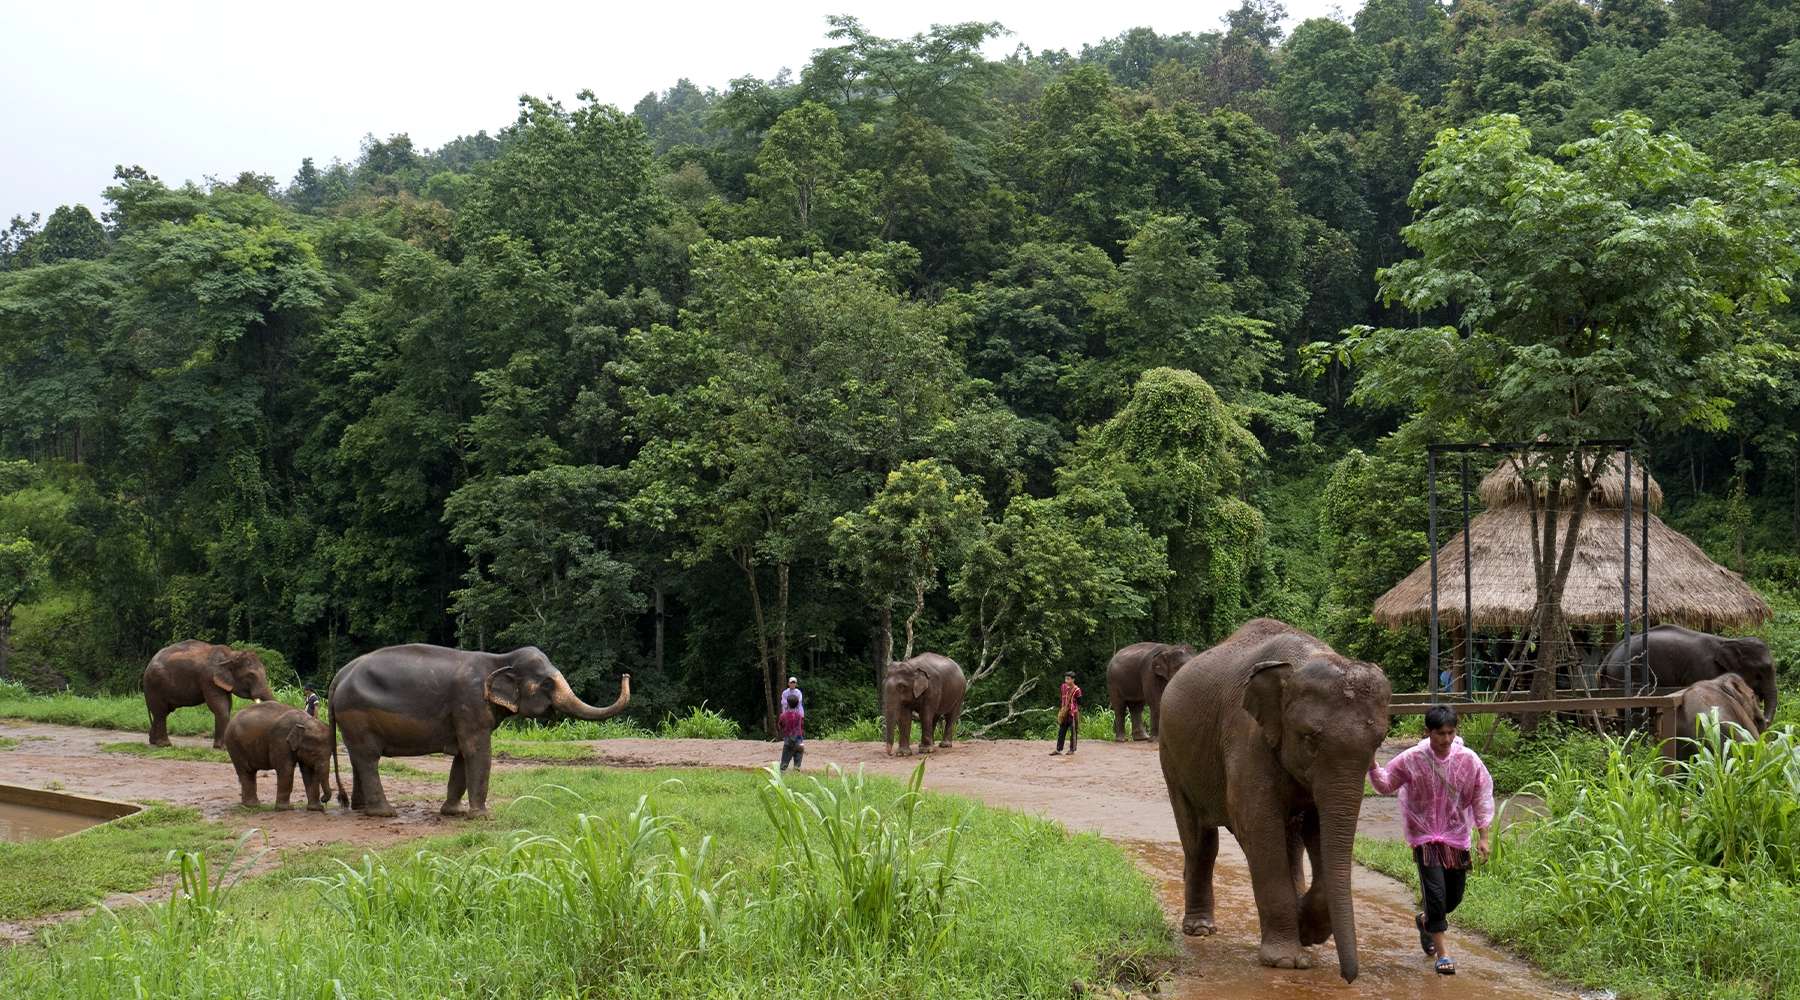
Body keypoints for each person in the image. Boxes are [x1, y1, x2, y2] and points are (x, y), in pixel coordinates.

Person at [1366, 705, 1495, 976]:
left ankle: (1426, 921)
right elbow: (1386, 784)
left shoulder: (1468, 760)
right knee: (1435, 895)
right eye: (1440, 733)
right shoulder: (1412, 758)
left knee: (1454, 897)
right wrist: (1372, 763)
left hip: (1456, 836)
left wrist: (1484, 836)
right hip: (1424, 836)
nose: (1446, 739)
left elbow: (1481, 795)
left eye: (1450, 733)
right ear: (1428, 732)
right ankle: (1443, 954)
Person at [1050, 672, 1082, 756]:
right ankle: (1058, 749)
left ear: (1073, 680)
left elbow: (1079, 702)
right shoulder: (1063, 687)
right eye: (1065, 679)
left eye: (1068, 679)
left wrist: (1074, 710)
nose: (1066, 680)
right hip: (1064, 713)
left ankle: (1072, 749)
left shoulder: (1077, 690)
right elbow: (1062, 698)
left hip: (1072, 714)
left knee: (1073, 732)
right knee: (1061, 731)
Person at [777, 691, 805, 771]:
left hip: (788, 741)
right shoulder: (799, 716)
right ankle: (796, 776)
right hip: (799, 741)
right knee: (797, 766)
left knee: (783, 765)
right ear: (797, 704)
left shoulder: (783, 715)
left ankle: (781, 777)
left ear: (788, 704)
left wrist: (783, 731)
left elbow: (780, 726)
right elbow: (802, 727)